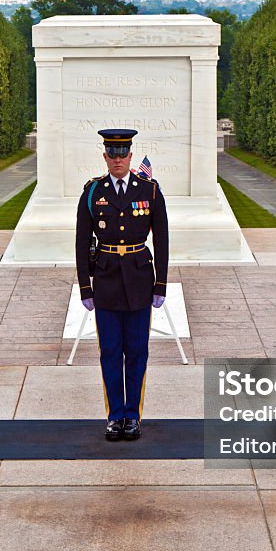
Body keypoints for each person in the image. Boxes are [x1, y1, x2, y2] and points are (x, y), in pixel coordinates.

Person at [75, 129, 169, 441]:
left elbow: (163, 241)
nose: (118, 160)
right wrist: (85, 287)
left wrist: (161, 284)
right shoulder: (93, 192)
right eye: (112, 154)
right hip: (106, 282)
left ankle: (133, 415)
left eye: (123, 154)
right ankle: (115, 415)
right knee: (110, 352)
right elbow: (81, 243)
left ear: (130, 156)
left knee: (138, 351)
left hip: (141, 281)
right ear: (105, 157)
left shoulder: (150, 190)